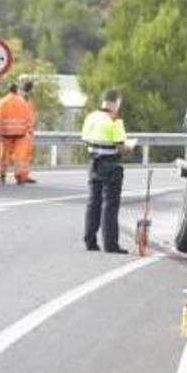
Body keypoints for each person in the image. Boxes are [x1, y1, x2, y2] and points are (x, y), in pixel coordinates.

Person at [81, 89, 130, 253]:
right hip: (111, 165)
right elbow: (121, 146)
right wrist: (130, 147)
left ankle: (90, 241)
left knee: (93, 202)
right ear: (116, 103)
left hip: (94, 162)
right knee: (110, 205)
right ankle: (110, 244)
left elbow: (85, 139)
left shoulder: (91, 117)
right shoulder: (114, 120)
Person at [0, 83, 35, 184]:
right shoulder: (22, 102)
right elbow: (28, 118)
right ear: (16, 90)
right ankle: (19, 177)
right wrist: (29, 131)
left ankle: (2, 175)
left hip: (6, 133)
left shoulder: (3, 101)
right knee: (19, 156)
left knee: (4, 155)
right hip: (20, 133)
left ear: (8, 90)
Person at [20, 80, 38, 183]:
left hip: (27, 129)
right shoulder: (24, 99)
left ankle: (24, 175)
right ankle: (22, 175)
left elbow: (32, 113)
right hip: (25, 130)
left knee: (26, 154)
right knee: (24, 154)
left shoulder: (27, 99)